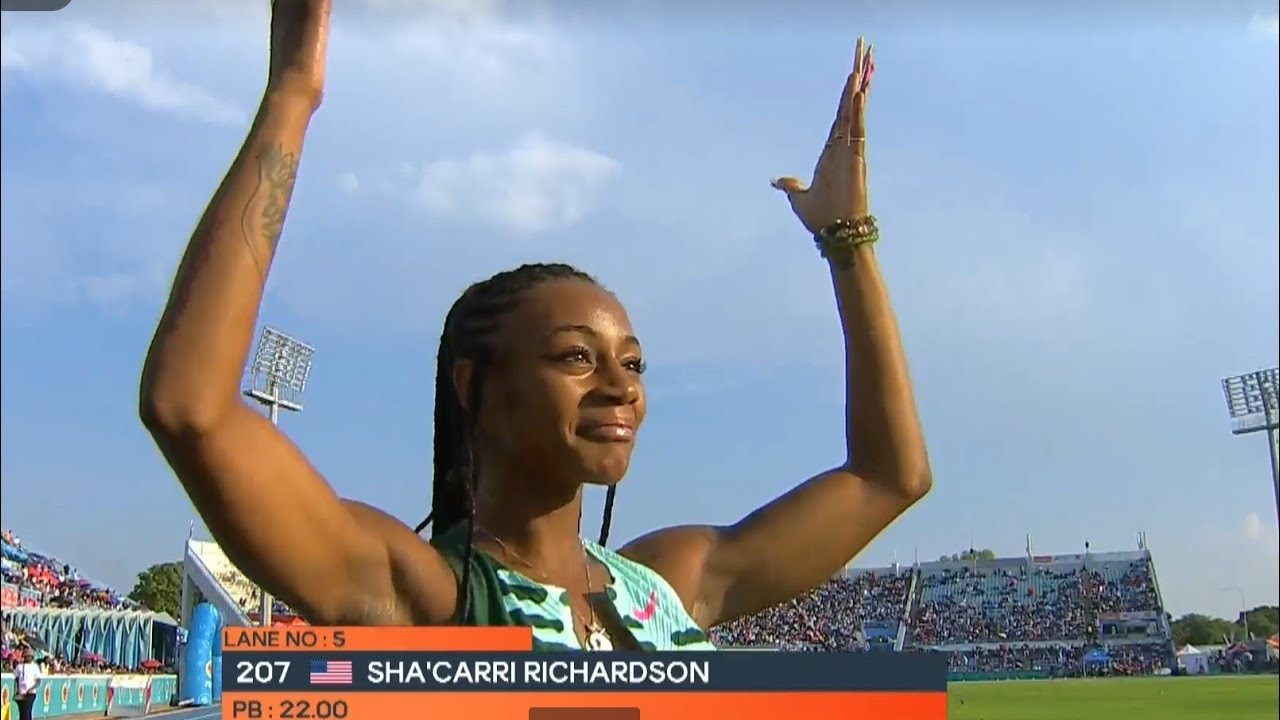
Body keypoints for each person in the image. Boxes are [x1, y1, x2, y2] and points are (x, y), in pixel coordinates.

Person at [139, 0, 931, 652]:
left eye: (633, 363)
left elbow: (890, 477)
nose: (621, 386)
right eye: (577, 357)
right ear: (475, 386)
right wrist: (292, 94)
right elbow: (190, 409)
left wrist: (847, 243)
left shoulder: (671, 584)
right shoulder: (427, 594)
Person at [14, 648, 41, 720]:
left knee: (27, 711)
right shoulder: (19, 667)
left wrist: (32, 688)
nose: (28, 658)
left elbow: (38, 681)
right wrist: (16, 691)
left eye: (29, 656)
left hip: (30, 693)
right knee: (22, 713)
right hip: (21, 692)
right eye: (26, 656)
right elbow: (16, 679)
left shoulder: (35, 667)